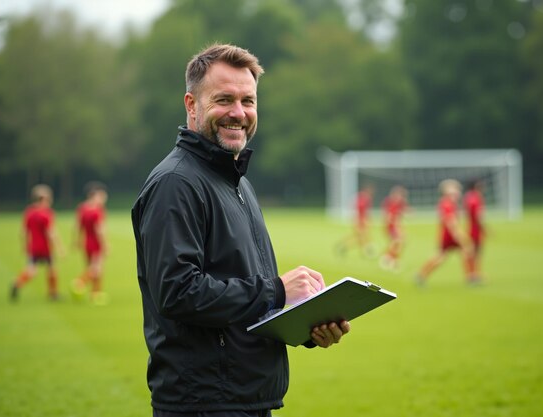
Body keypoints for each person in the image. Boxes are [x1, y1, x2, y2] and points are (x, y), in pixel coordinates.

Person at [131, 43, 350, 417]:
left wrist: (304, 323)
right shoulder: (176, 183)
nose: (238, 113)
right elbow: (178, 292)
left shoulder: (235, 181)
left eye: (248, 101)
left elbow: (242, 301)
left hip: (244, 397)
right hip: (205, 403)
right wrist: (278, 290)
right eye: (224, 100)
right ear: (191, 105)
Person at [415, 179, 475, 286]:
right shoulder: (447, 203)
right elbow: (450, 221)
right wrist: (459, 234)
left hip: (450, 234)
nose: (458, 192)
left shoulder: (451, 203)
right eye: (455, 190)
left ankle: (471, 277)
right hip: (450, 235)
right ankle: (421, 274)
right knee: (443, 256)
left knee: (466, 252)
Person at [10, 184, 62, 301]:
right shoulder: (47, 213)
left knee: (31, 270)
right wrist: (59, 248)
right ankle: (53, 293)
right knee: (52, 269)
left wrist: (24, 246)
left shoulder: (29, 212)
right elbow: (51, 233)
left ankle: (17, 283)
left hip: (33, 247)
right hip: (46, 247)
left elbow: (23, 232)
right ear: (44, 199)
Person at [70, 181, 109, 305]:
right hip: (96, 243)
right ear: (95, 195)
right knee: (96, 268)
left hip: (86, 242)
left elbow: (77, 226)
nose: (104, 198)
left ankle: (95, 294)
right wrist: (105, 244)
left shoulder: (82, 208)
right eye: (102, 196)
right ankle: (79, 282)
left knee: (92, 268)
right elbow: (100, 229)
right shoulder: (97, 210)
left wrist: (76, 240)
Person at [335, 183, 375, 258]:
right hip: (359, 220)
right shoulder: (365, 198)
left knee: (360, 236)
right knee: (361, 236)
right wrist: (365, 220)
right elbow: (362, 210)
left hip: (359, 220)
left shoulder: (362, 197)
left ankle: (345, 246)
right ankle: (345, 246)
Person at [379, 185, 409, 271]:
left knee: (399, 243)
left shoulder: (400, 202)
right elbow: (389, 216)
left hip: (396, 225)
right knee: (397, 242)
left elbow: (402, 212)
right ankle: (388, 259)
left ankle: (391, 259)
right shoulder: (390, 202)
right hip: (392, 225)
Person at [462, 178, 485, 283]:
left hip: (469, 227)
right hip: (475, 228)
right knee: (475, 252)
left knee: (470, 252)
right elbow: (477, 215)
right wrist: (485, 229)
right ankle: (474, 275)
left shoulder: (467, 196)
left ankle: (472, 274)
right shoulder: (476, 197)